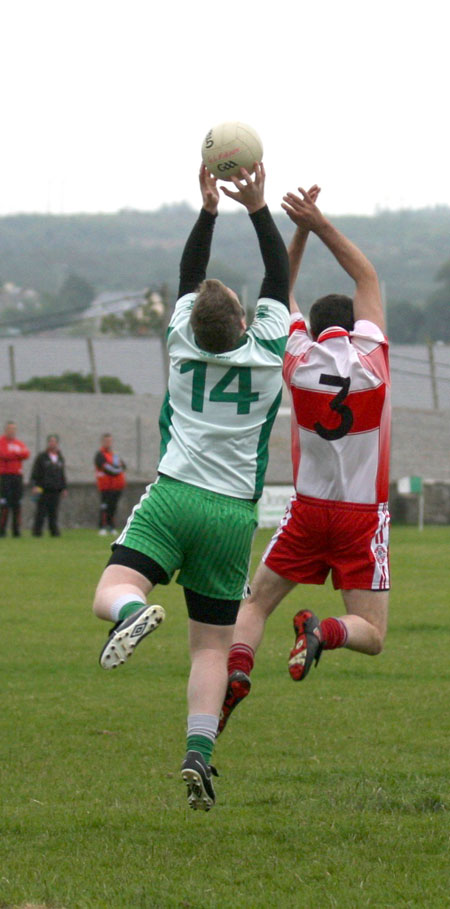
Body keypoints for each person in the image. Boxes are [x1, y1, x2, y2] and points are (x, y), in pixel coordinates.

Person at [92, 162, 290, 810]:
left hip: (175, 495)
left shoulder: (180, 344)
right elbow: (278, 279)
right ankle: (199, 754)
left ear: (195, 325)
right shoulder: (264, 354)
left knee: (111, 588)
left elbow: (186, 277)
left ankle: (130, 613)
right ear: (243, 321)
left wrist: (207, 210)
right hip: (233, 514)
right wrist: (259, 207)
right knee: (210, 644)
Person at [218, 184, 391, 735]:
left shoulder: (297, 356)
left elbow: (280, 288)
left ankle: (237, 674)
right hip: (362, 517)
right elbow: (367, 277)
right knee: (371, 632)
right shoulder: (373, 362)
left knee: (254, 605)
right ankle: (322, 631)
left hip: (308, 511)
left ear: (312, 328)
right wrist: (320, 222)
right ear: (360, 325)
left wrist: (297, 230)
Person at [30, 434, 67, 536]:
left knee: (53, 512)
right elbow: (35, 472)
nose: (52, 444)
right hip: (43, 488)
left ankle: (54, 531)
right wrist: (34, 485)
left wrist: (64, 488)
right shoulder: (42, 457)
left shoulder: (60, 458)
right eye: (50, 441)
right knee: (41, 512)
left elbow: (62, 474)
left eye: (54, 442)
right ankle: (37, 532)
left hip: (55, 489)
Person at [0, 421, 30, 537]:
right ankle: (2, 530)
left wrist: (14, 454)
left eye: (14, 429)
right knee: (5, 504)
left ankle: (16, 530)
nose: (12, 431)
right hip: (5, 476)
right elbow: (4, 454)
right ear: (5, 430)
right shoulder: (1, 442)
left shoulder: (19, 443)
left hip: (17, 477)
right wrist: (17, 454)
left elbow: (26, 454)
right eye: (10, 429)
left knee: (17, 503)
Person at [94, 434, 126, 536]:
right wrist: (117, 469)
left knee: (113, 507)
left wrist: (118, 468)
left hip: (116, 486)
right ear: (102, 442)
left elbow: (123, 466)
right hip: (105, 486)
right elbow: (108, 469)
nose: (108, 443)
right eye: (106, 441)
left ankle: (111, 526)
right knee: (105, 507)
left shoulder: (114, 455)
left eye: (110, 441)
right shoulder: (100, 455)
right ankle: (102, 526)